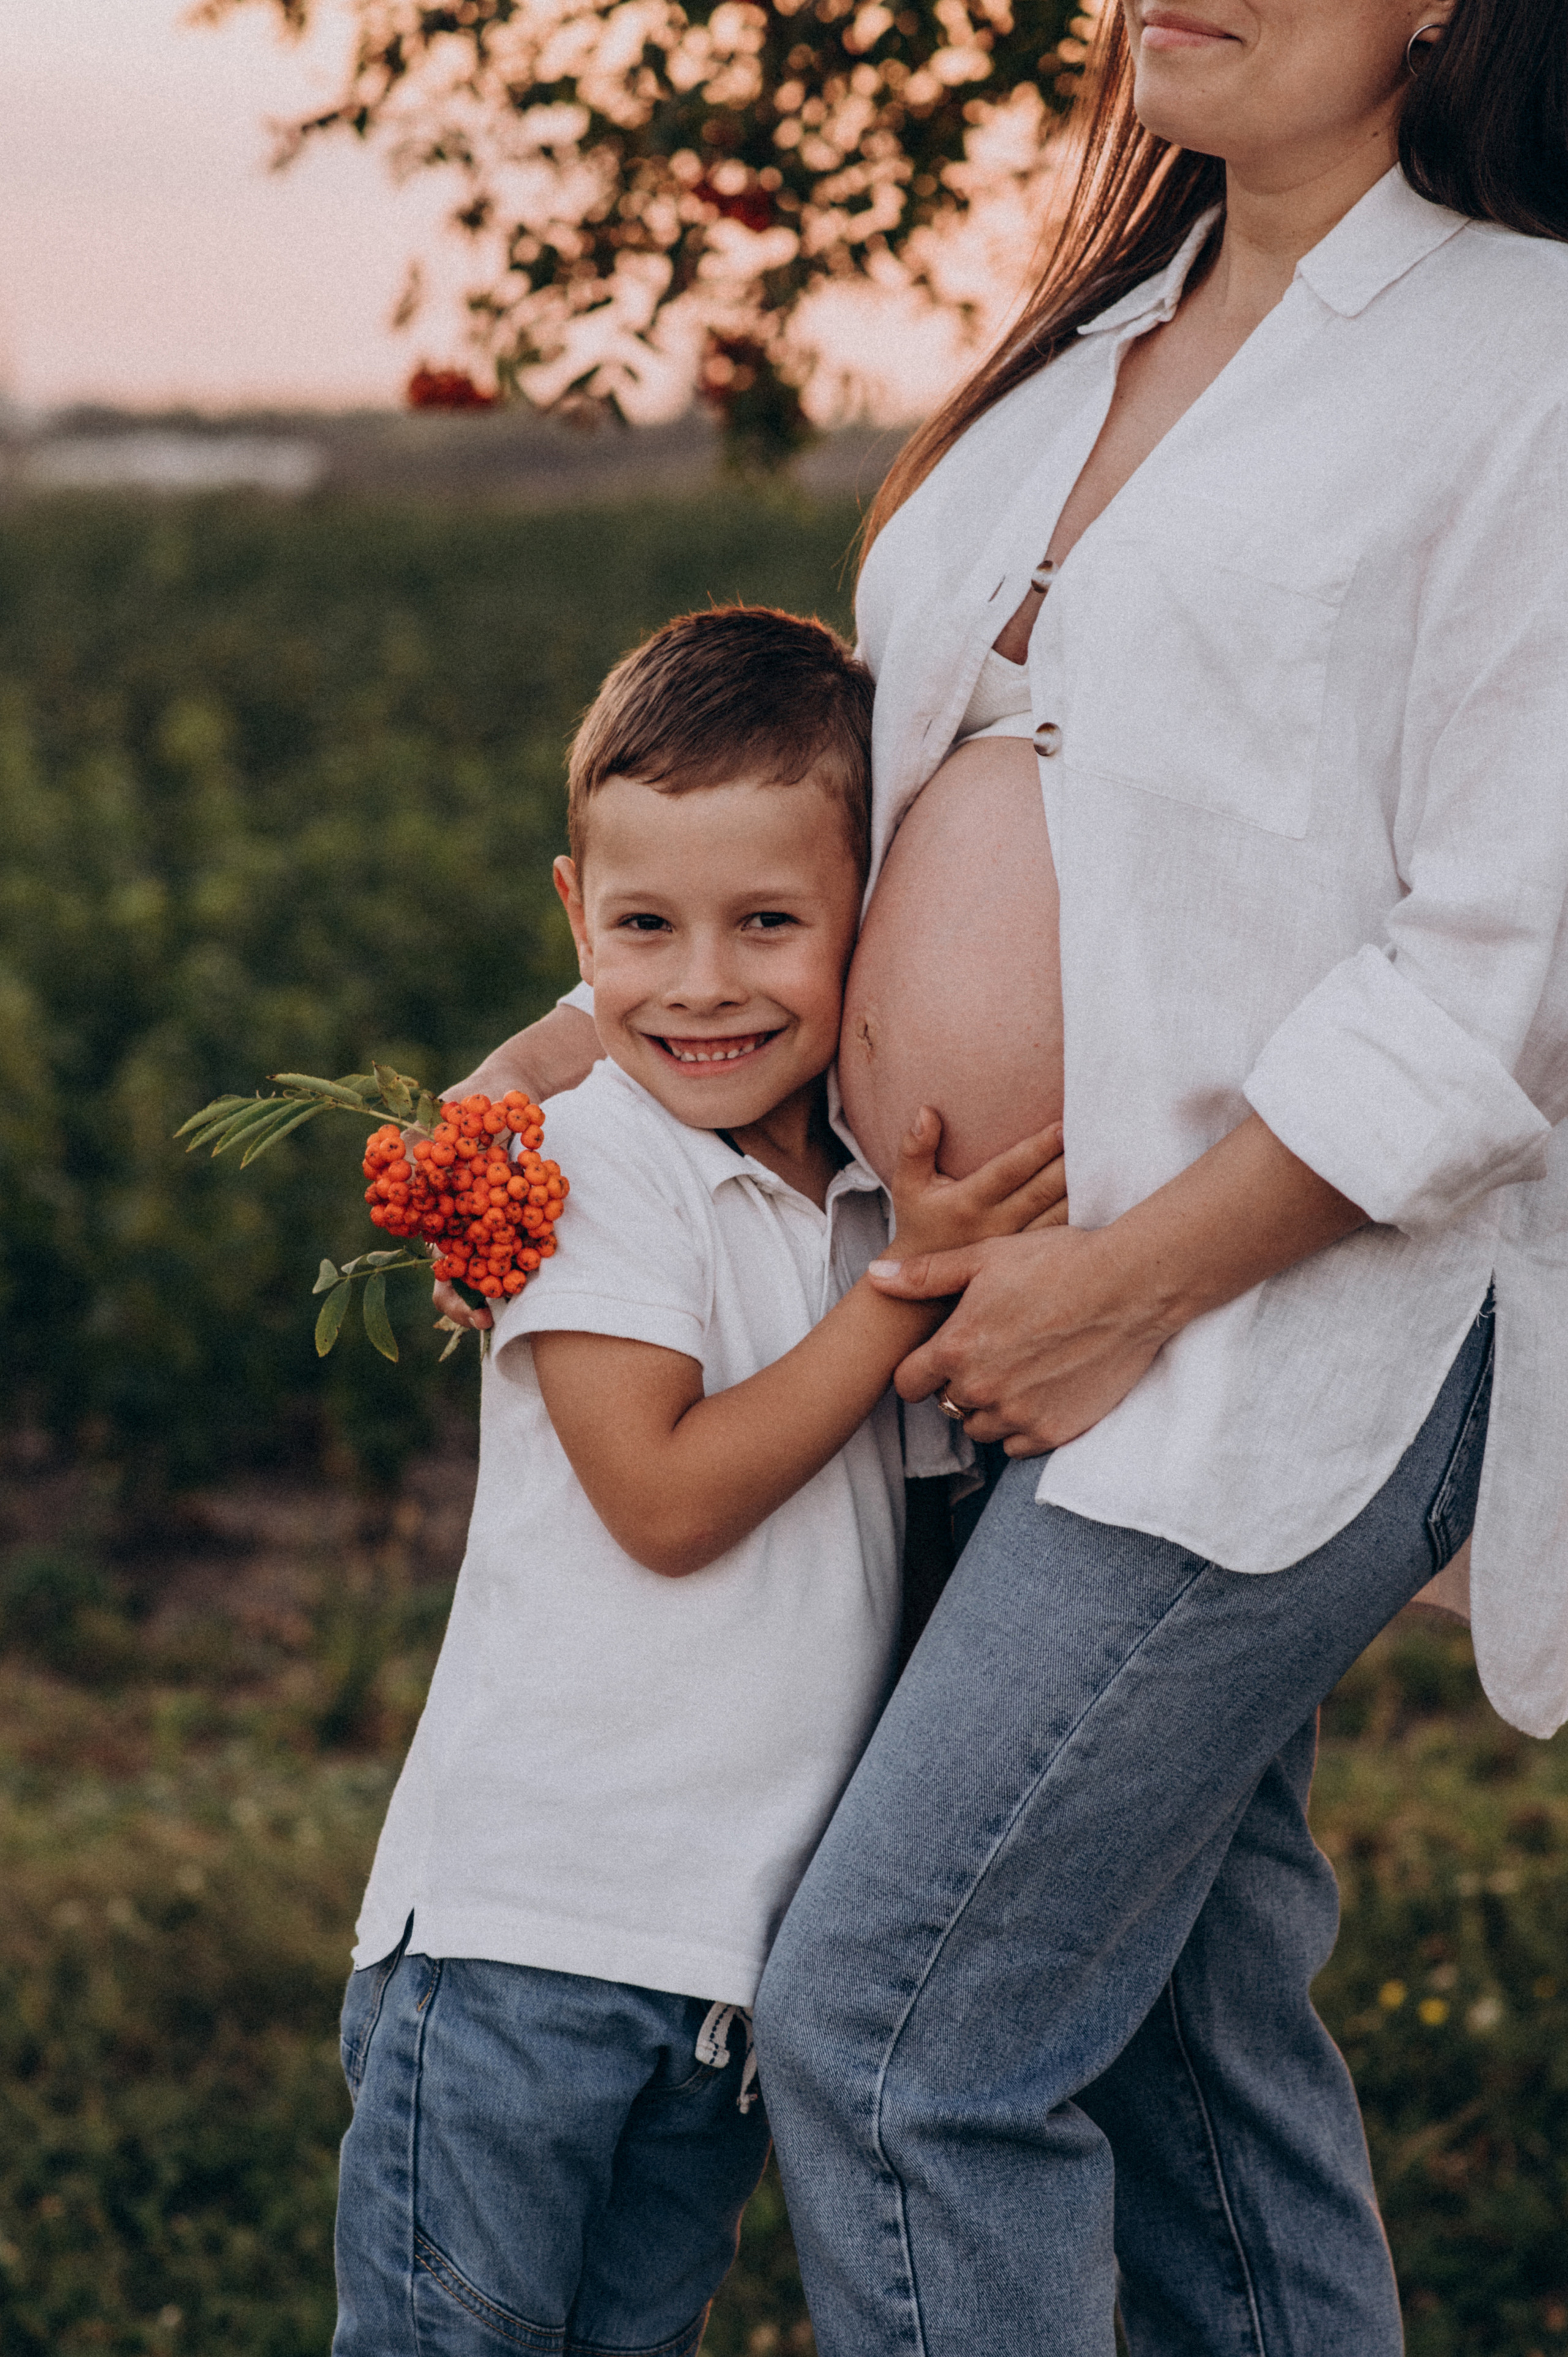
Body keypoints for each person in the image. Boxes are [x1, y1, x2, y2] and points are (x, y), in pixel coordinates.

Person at [450, 0, 1568, 2342]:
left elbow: (1503, 972)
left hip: (1268, 1327)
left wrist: (1129, 1287)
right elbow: (848, 835)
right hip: (979, 1318)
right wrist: (536, 1077)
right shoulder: (1084, 357)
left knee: (896, 2032)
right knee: (1180, 2058)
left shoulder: (1528, 354)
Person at [332, 605, 1066, 2357]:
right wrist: (899, 1301)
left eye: (770, 925)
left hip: (716, 1984)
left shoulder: (866, 1203)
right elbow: (662, 1501)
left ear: (866, 930)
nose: (704, 984)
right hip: (523, 1955)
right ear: (576, 917)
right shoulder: (597, 1164)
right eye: (647, 928)